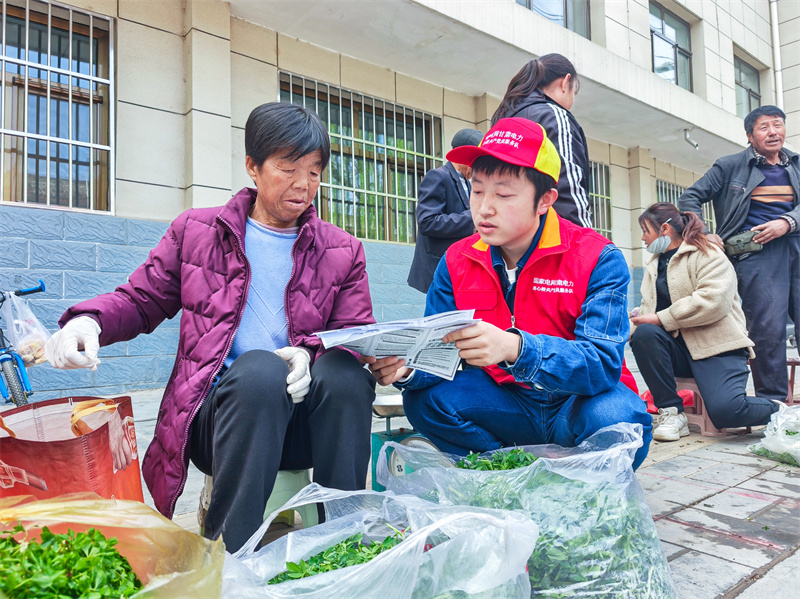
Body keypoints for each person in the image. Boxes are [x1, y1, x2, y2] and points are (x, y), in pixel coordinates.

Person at [44, 103, 377, 552]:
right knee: (260, 371)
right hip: (222, 421)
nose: (304, 184)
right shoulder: (198, 231)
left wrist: (311, 354)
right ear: (253, 167)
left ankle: (345, 539)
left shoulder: (343, 249)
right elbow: (141, 298)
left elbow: (353, 336)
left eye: (315, 172)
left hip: (306, 425)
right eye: (289, 168)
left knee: (346, 375)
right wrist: (89, 321)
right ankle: (231, 554)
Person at [365, 117, 652, 469]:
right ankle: (508, 471)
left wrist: (516, 348)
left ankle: (574, 477)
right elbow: (440, 352)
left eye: (503, 195)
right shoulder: (457, 259)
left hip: (577, 403)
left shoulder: (597, 258)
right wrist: (406, 369)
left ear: (544, 200)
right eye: (477, 191)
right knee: (426, 401)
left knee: (619, 419)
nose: (484, 208)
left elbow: (602, 364)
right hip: (505, 402)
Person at [629, 203, 780, 441]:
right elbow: (649, 311)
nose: (642, 238)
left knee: (728, 412)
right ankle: (671, 413)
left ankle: (782, 412)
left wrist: (660, 318)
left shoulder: (708, 253)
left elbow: (713, 301)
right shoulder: (654, 265)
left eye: (645, 230)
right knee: (644, 334)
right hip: (680, 351)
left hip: (718, 348)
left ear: (664, 229)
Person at [678, 105, 799, 401]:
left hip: (796, 243)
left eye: (778, 125)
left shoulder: (796, 164)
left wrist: (787, 222)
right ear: (749, 135)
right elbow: (690, 198)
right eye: (764, 127)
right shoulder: (730, 166)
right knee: (768, 329)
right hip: (756, 255)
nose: (773, 132)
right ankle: (773, 403)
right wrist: (704, 233)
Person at [492, 54, 592, 228]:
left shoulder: (504, 120)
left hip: (509, 232)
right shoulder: (554, 117)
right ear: (565, 82)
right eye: (574, 91)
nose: (572, 99)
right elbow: (568, 185)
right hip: (549, 233)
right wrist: (584, 235)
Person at [407, 128, 484, 293]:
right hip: (439, 267)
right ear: (462, 155)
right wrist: (472, 218)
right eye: (476, 160)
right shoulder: (438, 176)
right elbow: (427, 221)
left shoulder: (468, 183)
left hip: (461, 266)